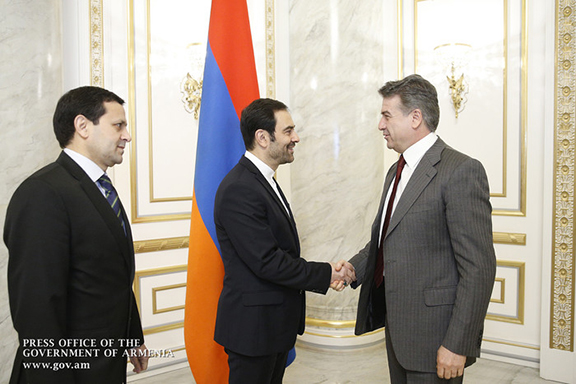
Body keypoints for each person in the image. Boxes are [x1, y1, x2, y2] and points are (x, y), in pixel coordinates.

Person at [348, 74, 496, 383]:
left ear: (415, 117)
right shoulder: (395, 171)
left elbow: (478, 268)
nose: (380, 124)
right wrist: (352, 269)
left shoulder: (461, 170)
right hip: (399, 331)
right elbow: (385, 238)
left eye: (386, 115)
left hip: (437, 338)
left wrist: (458, 344)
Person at [4, 86, 149, 384]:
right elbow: (37, 306)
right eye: (118, 125)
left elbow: (113, 275)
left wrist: (131, 336)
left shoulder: (100, 187)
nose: (127, 135)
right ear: (82, 126)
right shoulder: (42, 193)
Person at [213, 98, 355, 384]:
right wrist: (328, 273)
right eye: (288, 131)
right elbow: (268, 262)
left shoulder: (264, 181)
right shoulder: (240, 188)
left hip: (271, 327)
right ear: (263, 138)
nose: (296, 138)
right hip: (252, 331)